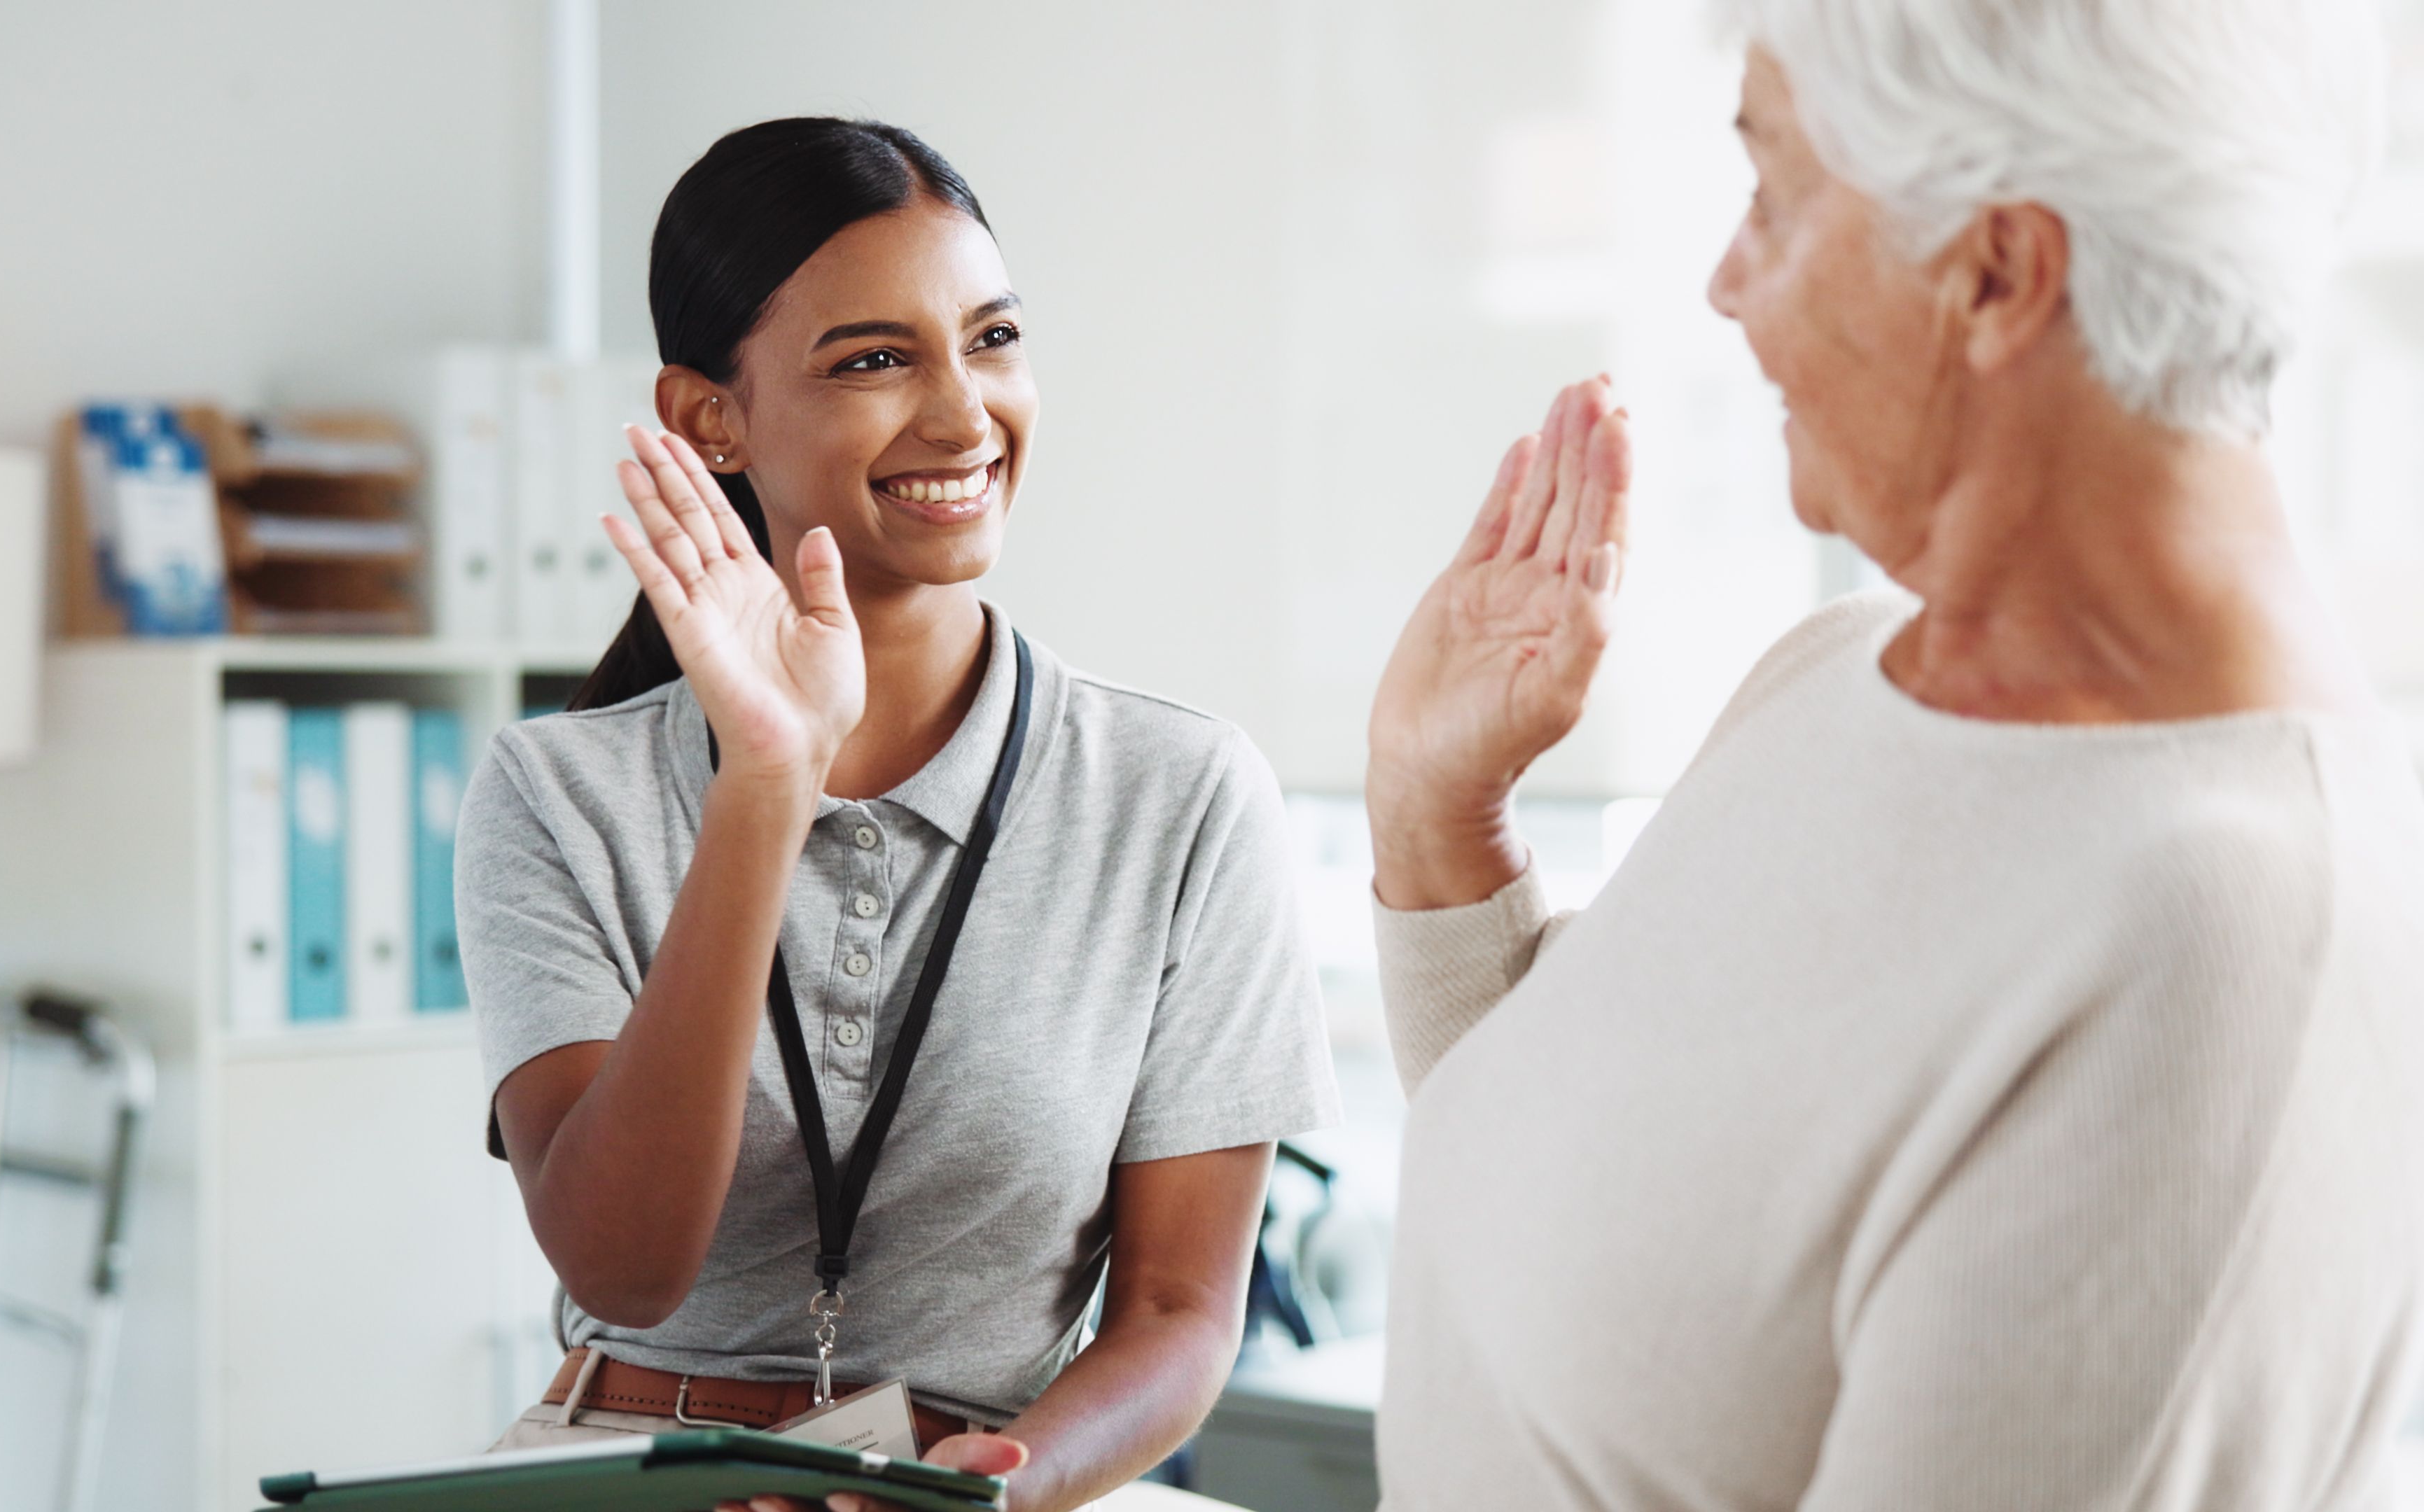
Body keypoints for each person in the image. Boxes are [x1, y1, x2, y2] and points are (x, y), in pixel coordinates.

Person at [1363, 0, 2424, 1506]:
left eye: (1771, 197)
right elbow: (1574, 1222)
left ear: (1993, 273)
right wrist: (1432, 813)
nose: (1723, 283)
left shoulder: (2227, 943)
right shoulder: (1834, 672)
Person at [454, 118, 1339, 1512]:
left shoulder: (1180, 795)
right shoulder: (559, 795)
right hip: (631, 1476)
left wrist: (976, 1491)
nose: (960, 414)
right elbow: (618, 1266)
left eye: (990, 340)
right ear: (709, 419)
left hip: (974, 1489)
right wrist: (763, 784)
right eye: (874, 360)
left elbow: (1179, 1313)